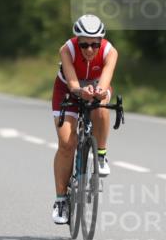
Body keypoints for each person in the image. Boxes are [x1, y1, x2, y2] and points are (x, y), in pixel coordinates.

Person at [51, 14, 119, 225]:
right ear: (77, 41)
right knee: (66, 144)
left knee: (101, 106)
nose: (89, 50)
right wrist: (81, 91)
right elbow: (72, 83)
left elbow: (105, 81)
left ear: (101, 42)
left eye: (94, 44)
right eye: (84, 45)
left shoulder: (110, 52)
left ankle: (101, 155)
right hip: (68, 91)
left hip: (97, 86)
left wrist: (98, 92)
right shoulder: (66, 50)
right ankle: (61, 201)